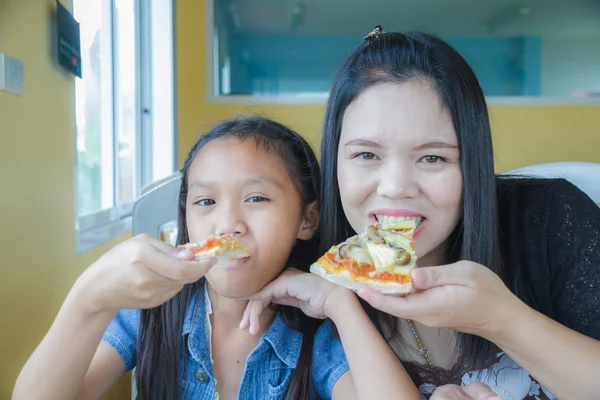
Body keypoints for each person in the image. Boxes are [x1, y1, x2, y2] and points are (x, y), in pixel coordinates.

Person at [244, 28, 600, 399]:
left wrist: (499, 318)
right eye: (366, 155)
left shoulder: (550, 219)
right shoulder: (307, 273)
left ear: (473, 163)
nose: (396, 186)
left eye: (433, 157)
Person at [12, 116, 424, 400]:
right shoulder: (152, 311)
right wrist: (89, 298)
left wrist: (338, 303)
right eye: (206, 200)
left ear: (307, 218)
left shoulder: (319, 333)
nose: (228, 223)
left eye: (256, 198)